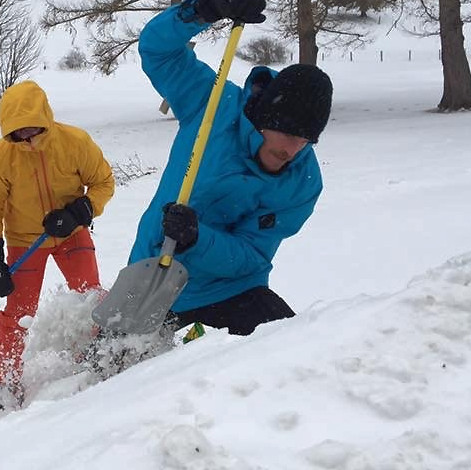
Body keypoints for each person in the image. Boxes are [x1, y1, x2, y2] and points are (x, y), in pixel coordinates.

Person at [128, 1, 333, 340]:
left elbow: (252, 255)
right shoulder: (214, 106)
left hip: (231, 292)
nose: (293, 149)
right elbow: (158, 51)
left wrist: (198, 239)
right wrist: (204, 9)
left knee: (297, 352)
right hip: (153, 279)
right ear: (266, 118)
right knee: (108, 381)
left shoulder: (302, 184)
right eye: (288, 133)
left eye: (305, 140)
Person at [0, 80, 115, 399]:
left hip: (71, 233)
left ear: (45, 120)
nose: (25, 138)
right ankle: (5, 379)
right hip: (25, 240)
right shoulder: (0, 157)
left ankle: (94, 357)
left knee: (89, 298)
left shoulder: (75, 142)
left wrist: (81, 210)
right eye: (17, 131)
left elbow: (103, 183)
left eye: (32, 129)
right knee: (19, 312)